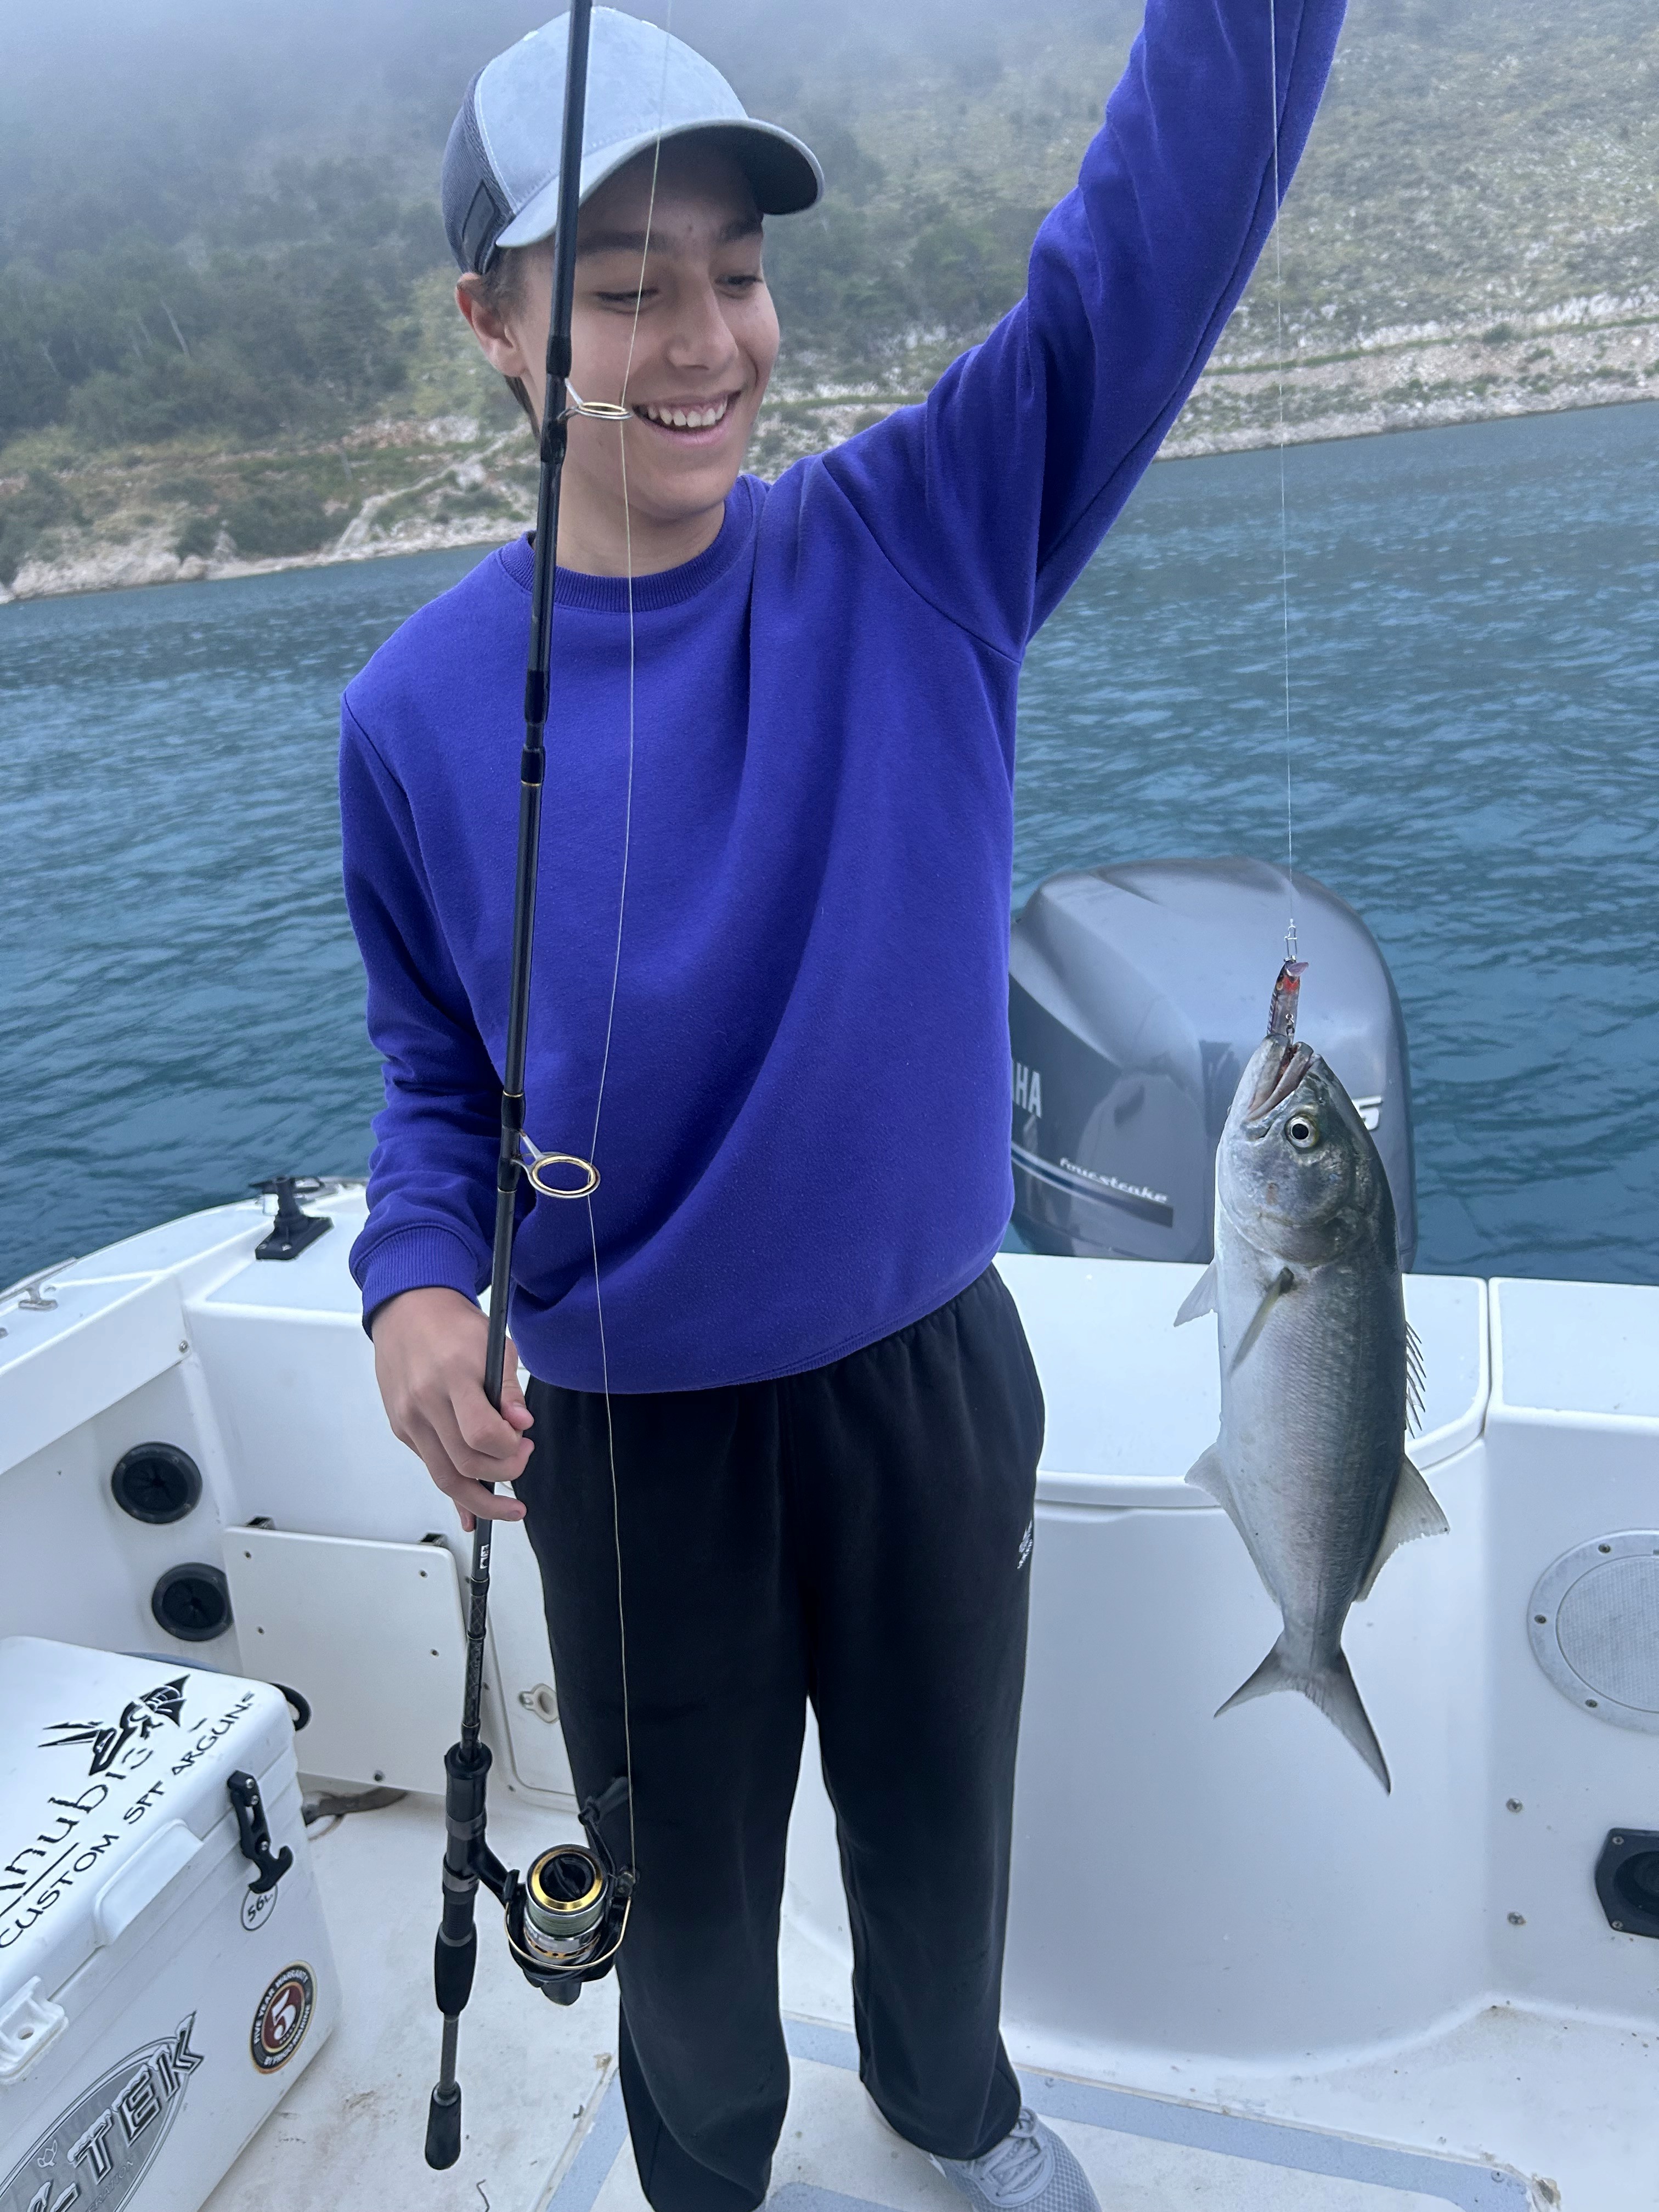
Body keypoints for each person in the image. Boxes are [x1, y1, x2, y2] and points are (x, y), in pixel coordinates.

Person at [340, 5, 1344, 2209]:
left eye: (736, 271)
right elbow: (434, 1078)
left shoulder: (923, 541)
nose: (706, 338)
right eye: (623, 288)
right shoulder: (410, 718)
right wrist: (416, 1287)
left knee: (934, 1823)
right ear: (496, 326)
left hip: (925, 1385)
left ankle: (952, 2106)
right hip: (619, 1445)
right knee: (686, 1908)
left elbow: (1157, 225)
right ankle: (704, 2170)